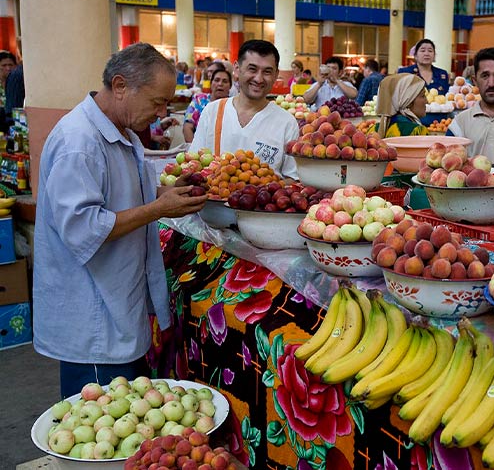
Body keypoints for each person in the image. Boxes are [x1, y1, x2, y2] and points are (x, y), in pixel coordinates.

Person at [32, 43, 208, 397]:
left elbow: (125, 195)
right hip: (93, 318)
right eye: (156, 101)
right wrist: (158, 210)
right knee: (97, 431)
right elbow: (85, 227)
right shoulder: (78, 142)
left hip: (117, 306)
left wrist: (167, 194)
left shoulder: (122, 133)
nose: (160, 113)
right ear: (121, 85)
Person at [190, 39, 299, 179]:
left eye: (267, 72)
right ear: (236, 69)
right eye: (252, 69)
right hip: (213, 200)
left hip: (264, 201)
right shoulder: (213, 111)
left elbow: (292, 178)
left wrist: (263, 188)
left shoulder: (287, 123)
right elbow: (194, 164)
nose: (259, 79)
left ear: (276, 75)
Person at [182, 68, 233, 143]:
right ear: (211, 83)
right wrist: (194, 150)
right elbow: (187, 127)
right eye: (216, 80)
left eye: (225, 81)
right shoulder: (199, 100)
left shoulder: (233, 105)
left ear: (230, 86)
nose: (220, 84)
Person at [375, 73, 429, 137]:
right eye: (423, 96)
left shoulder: (373, 131)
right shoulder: (417, 131)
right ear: (407, 101)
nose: (427, 101)